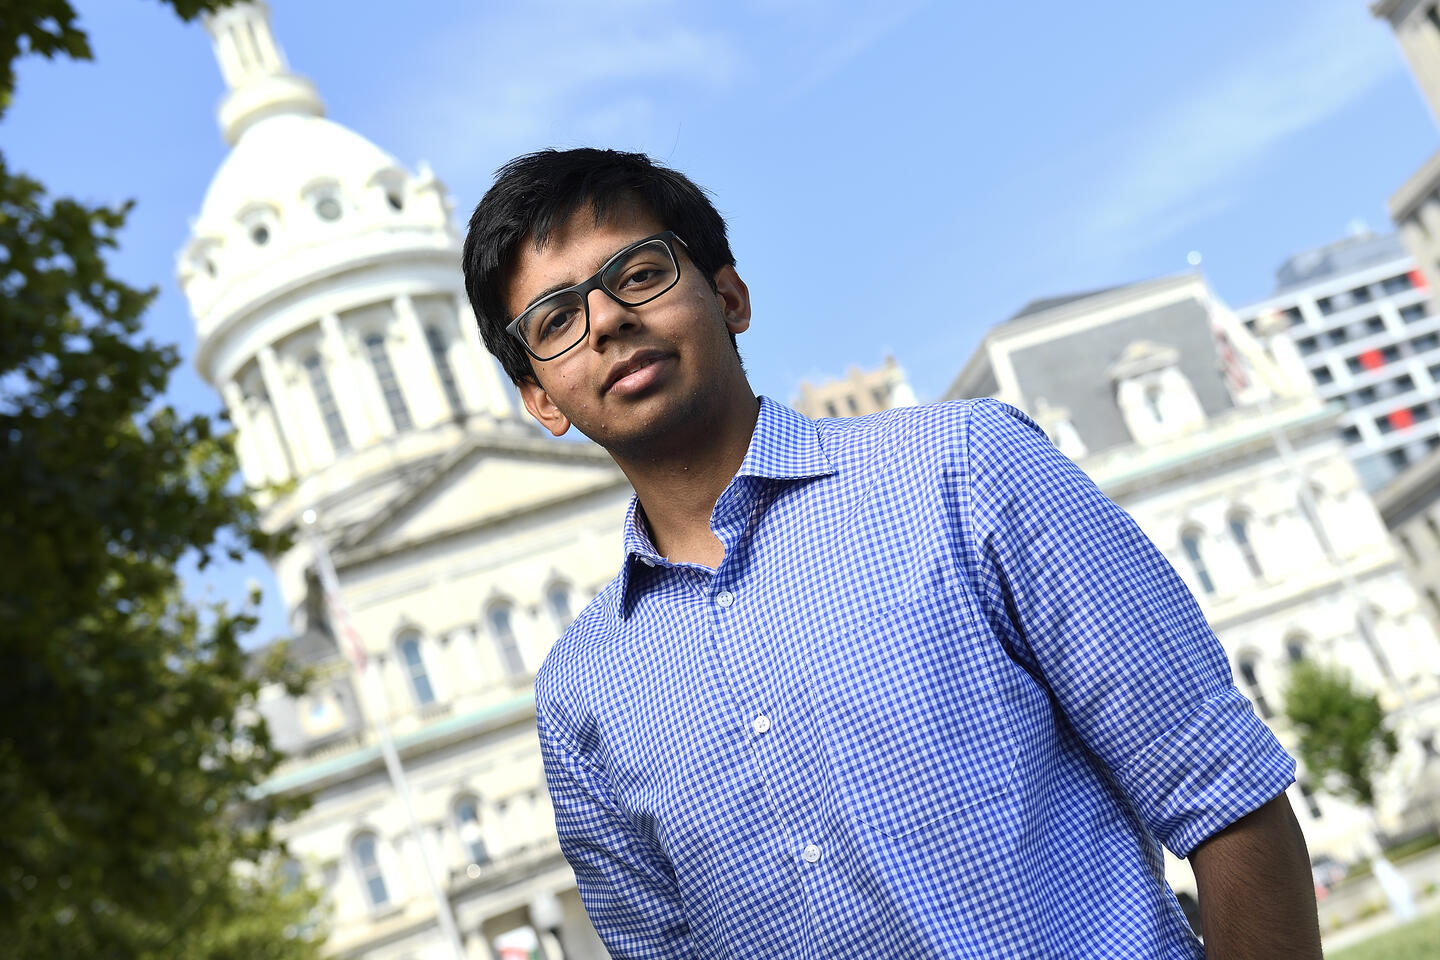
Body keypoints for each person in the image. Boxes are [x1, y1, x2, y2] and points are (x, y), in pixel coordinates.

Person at [462, 148, 1323, 959]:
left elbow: (1225, 798)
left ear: (729, 296)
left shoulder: (967, 469)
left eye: (640, 274)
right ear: (540, 397)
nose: (608, 319)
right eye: (557, 318)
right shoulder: (580, 695)